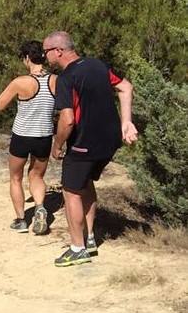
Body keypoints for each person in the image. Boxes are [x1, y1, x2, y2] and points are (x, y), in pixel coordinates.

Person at [42, 31, 139, 268]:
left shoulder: (66, 78)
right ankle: (90, 238)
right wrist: (126, 122)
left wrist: (57, 145)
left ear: (58, 51)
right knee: (85, 184)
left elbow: (67, 120)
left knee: (71, 191)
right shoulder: (97, 65)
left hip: (84, 143)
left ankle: (77, 248)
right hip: (109, 141)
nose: (45, 57)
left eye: (46, 52)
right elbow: (126, 87)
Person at [0, 42, 57, 235]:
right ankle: (40, 207)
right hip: (44, 136)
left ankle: (21, 220)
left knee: (15, 177)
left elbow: (0, 105)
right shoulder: (56, 80)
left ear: (27, 58)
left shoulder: (20, 82)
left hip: (22, 136)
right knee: (37, 176)